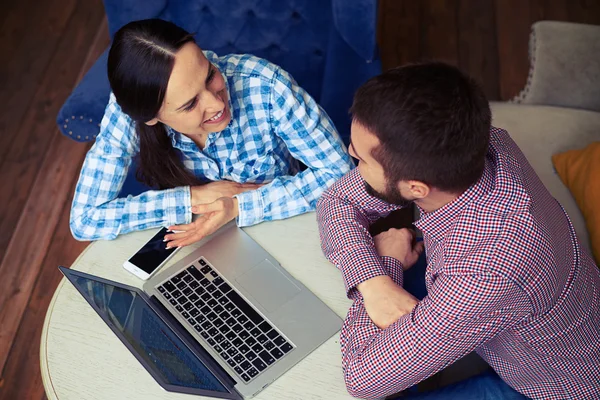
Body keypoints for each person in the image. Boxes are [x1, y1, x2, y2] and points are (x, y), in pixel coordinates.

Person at [316, 62, 600, 399]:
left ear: (417, 188)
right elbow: (336, 200)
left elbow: (363, 380)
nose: (351, 157)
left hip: (552, 385)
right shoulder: (484, 144)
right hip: (517, 301)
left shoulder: (486, 273)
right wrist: (374, 283)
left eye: (360, 159)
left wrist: (388, 265)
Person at [70, 19, 353, 246]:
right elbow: (85, 219)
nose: (217, 103)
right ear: (152, 118)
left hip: (279, 224)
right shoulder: (128, 112)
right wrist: (195, 197)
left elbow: (340, 174)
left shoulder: (267, 86)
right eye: (190, 104)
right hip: (195, 240)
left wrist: (238, 205)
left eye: (209, 76)